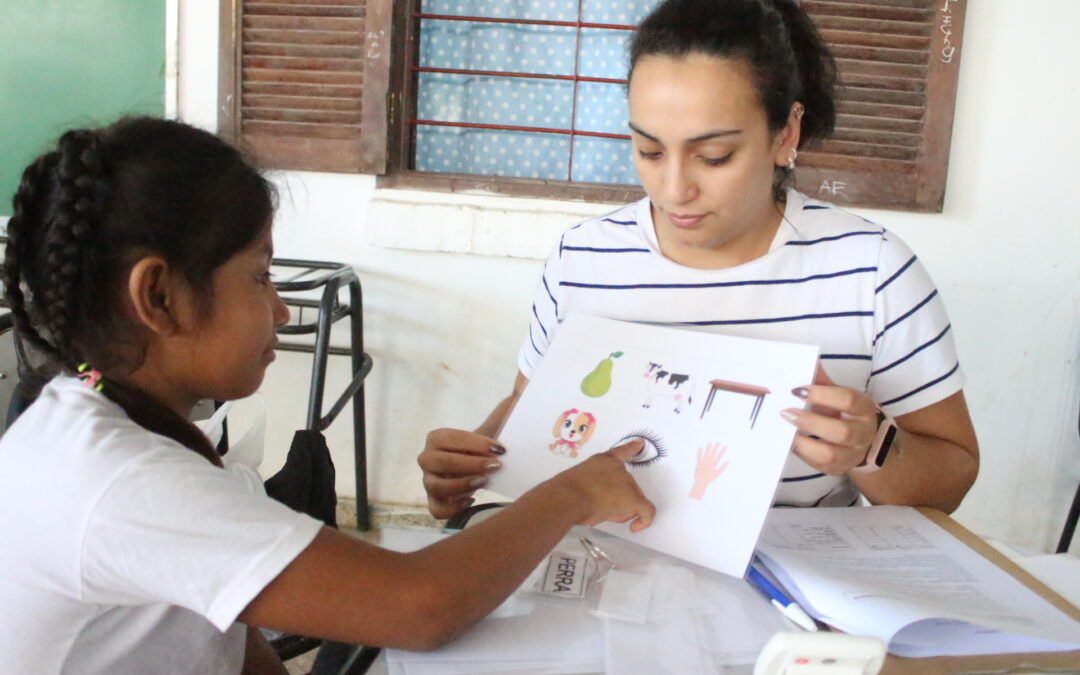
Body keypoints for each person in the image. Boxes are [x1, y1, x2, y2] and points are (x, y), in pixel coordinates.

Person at [0, 117, 655, 675]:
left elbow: (226, 635)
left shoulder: (102, 412)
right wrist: (572, 493)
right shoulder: (119, 478)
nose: (281, 311)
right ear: (159, 296)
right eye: (260, 276)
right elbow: (420, 606)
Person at [418, 0, 979, 520]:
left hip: (787, 582)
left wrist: (872, 447)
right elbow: (530, 404)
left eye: (714, 156)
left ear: (785, 133)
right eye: (649, 150)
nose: (673, 190)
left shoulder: (871, 271)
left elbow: (949, 482)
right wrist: (469, 463)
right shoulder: (582, 257)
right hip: (602, 565)